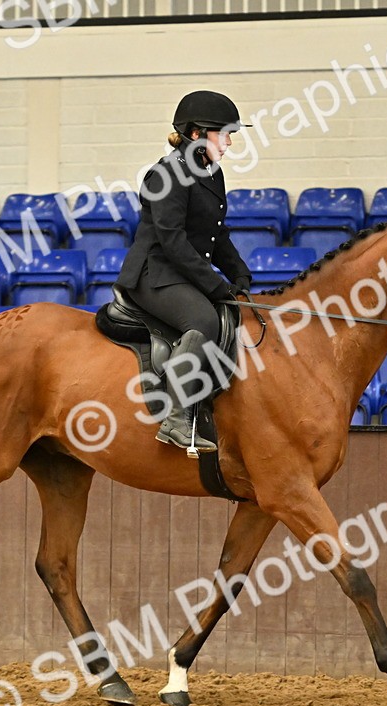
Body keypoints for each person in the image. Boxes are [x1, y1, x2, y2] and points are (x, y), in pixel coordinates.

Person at [115, 90, 254, 455]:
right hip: (153, 274)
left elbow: (216, 234)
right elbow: (173, 242)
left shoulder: (212, 174)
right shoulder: (166, 174)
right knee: (204, 320)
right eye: (223, 134)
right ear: (196, 134)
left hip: (180, 272)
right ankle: (176, 418)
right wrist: (215, 285)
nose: (229, 143)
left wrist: (240, 275)